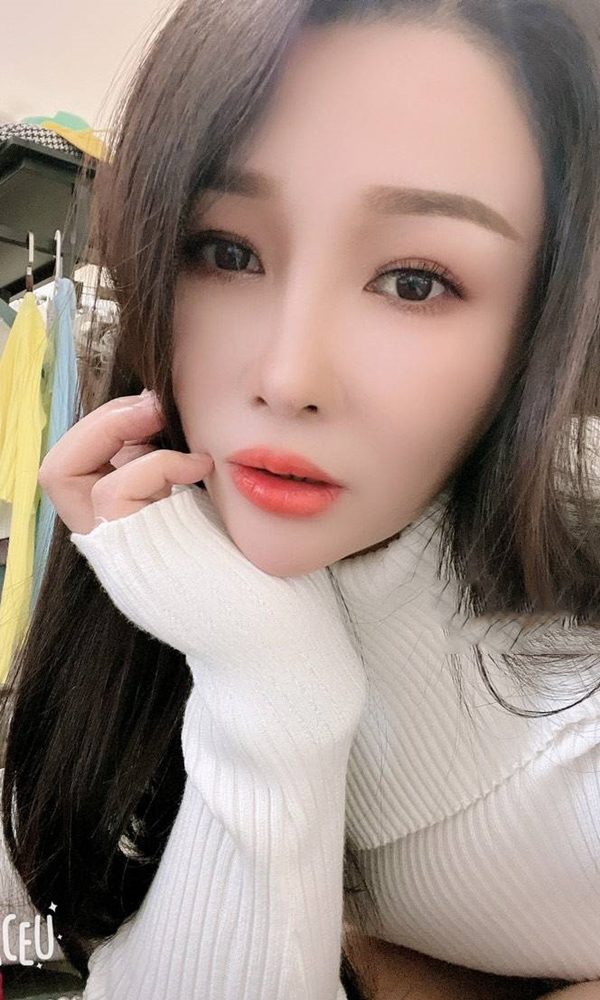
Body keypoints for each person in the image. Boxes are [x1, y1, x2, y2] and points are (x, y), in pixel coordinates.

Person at [2, 0, 600, 997]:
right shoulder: (151, 563)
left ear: (539, 330)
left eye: (414, 281)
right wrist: (268, 682)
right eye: (226, 252)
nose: (287, 378)